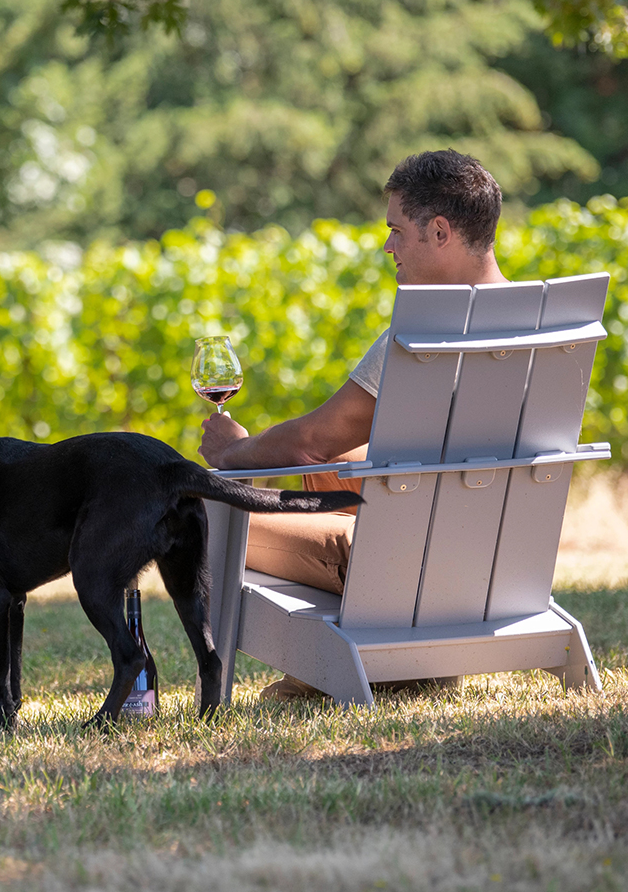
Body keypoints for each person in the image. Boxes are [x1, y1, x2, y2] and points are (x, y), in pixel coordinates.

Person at [198, 150, 508, 700]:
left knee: (200, 510)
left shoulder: (420, 337)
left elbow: (311, 442)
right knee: (344, 463)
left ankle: (343, 665)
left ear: (439, 232)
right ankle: (407, 665)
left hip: (398, 572)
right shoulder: (540, 325)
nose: (387, 246)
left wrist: (234, 455)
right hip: (495, 568)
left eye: (396, 230)